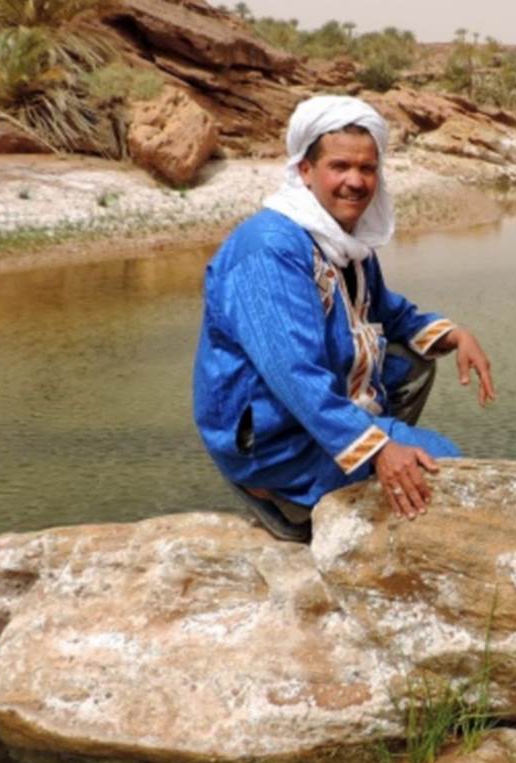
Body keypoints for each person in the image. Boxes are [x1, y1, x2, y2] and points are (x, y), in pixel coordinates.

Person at [193, 95, 494, 542]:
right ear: (305, 170)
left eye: (367, 169)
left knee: (412, 361)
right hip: (273, 437)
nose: (355, 181)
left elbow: (388, 312)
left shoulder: (342, 244)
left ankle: (357, 458)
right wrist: (377, 449)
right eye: (340, 167)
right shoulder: (269, 249)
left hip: (306, 414)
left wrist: (454, 334)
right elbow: (294, 374)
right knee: (444, 468)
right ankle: (284, 495)